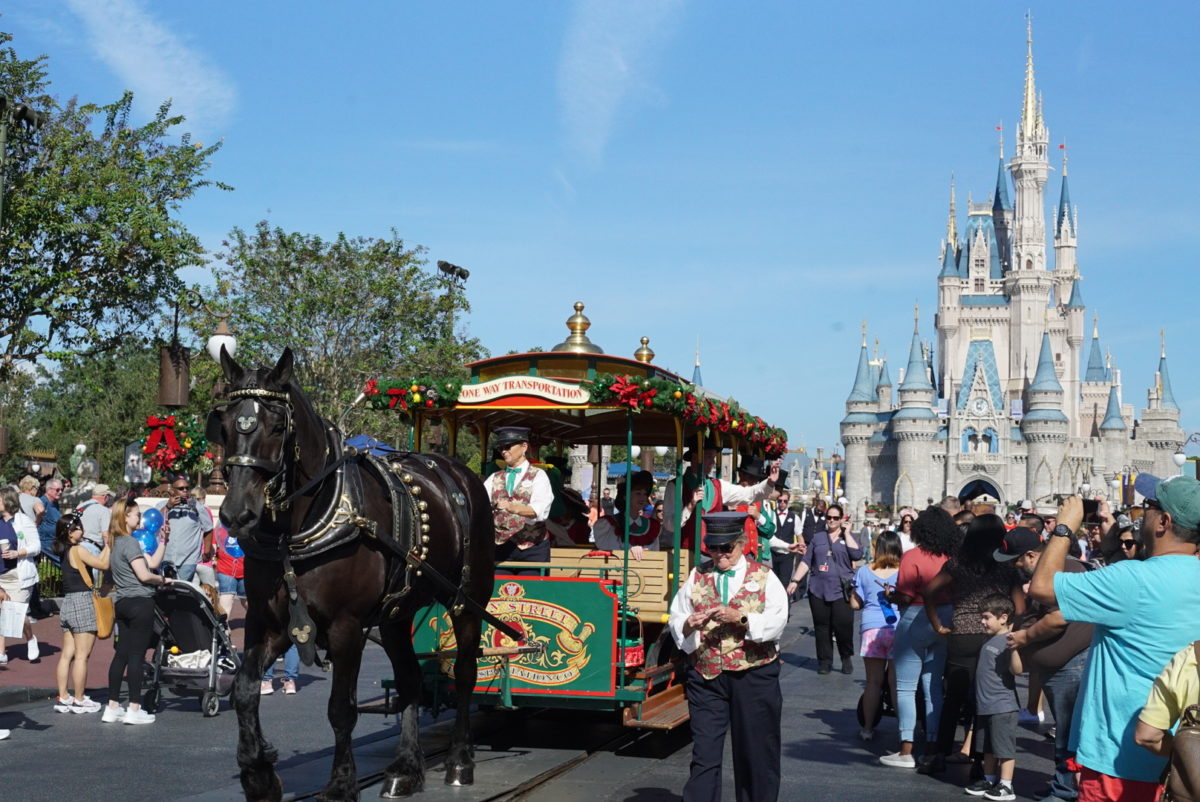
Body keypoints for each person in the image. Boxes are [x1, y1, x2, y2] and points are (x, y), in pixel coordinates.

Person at [1029, 476, 1200, 800]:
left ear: (1164, 521)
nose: (1140, 514)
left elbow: (1042, 587)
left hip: (1120, 762)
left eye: (1148, 507)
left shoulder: (1133, 580)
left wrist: (1064, 528)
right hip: (1182, 758)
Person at [667, 511, 788, 802]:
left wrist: (742, 618)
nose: (719, 554)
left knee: (756, 752)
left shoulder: (764, 576)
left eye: (726, 548)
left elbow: (778, 620)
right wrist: (688, 623)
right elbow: (676, 616)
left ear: (742, 544)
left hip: (754, 675)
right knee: (704, 753)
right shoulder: (698, 575)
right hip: (707, 676)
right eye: (714, 548)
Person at [920, 514, 1024, 775]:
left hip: (962, 636)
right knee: (984, 701)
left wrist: (937, 624)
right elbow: (1020, 607)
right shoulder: (1008, 567)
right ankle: (980, 760)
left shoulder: (958, 564)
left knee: (953, 698)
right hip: (994, 639)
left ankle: (940, 754)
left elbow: (929, 591)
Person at [997, 525, 1093, 802]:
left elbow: (1059, 618)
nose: (1015, 566)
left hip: (1072, 665)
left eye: (1016, 560)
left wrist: (1025, 637)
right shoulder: (1062, 567)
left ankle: (1066, 791)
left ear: (1030, 555)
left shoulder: (1058, 570)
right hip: (1063, 666)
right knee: (1066, 731)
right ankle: (1062, 784)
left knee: (1068, 732)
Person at [879, 505, 960, 768]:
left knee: (905, 686)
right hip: (945, 618)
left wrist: (890, 595)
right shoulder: (952, 557)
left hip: (915, 617)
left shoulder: (912, 555)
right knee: (933, 685)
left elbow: (905, 595)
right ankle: (933, 746)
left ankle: (906, 749)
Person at [105, 497, 173, 725]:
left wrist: (163, 540)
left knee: (121, 654)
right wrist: (163, 580)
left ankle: (112, 706)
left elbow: (150, 562)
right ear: (125, 517)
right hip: (139, 601)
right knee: (136, 655)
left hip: (122, 602)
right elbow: (145, 575)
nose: (139, 518)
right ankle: (134, 707)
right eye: (135, 514)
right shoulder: (131, 542)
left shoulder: (116, 543)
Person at [786, 502, 863, 675]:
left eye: (836, 518)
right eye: (829, 517)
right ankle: (824, 661)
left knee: (843, 626)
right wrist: (795, 581)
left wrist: (848, 532)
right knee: (822, 627)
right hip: (818, 589)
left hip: (841, 591)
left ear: (841, 519)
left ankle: (845, 656)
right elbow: (806, 561)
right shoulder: (818, 538)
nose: (832, 521)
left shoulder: (847, 537)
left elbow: (858, 554)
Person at [962, 594, 1022, 802]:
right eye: (982, 617)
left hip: (1002, 706)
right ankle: (989, 779)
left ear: (1003, 618)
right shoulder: (990, 639)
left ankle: (1006, 785)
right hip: (985, 705)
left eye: (987, 617)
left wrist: (1014, 650)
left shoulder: (1008, 640)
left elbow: (1017, 670)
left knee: (1003, 748)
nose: (982, 621)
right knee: (986, 746)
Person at [51, 513, 109, 714]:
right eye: (78, 528)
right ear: (70, 533)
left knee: (67, 654)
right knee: (83, 656)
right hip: (82, 601)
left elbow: (99, 560)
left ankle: (64, 696)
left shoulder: (65, 551)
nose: (82, 531)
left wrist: (107, 547)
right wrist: (110, 545)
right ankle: (79, 698)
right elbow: (103, 565)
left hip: (67, 602)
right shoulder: (78, 549)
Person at [852, 529, 901, 741]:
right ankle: (904, 731)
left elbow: (855, 604)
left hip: (872, 629)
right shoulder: (903, 572)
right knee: (896, 683)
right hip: (898, 628)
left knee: (873, 681)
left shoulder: (864, 571)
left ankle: (867, 728)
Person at [485, 426, 554, 574]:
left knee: (533, 595)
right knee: (499, 594)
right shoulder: (493, 478)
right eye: (501, 447)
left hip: (533, 548)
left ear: (524, 447)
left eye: (508, 446)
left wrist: (512, 507)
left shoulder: (539, 476)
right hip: (501, 548)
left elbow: (539, 511)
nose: (504, 451)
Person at [0, 484, 41, 663]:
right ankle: (1, 652)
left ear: (8, 501)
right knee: (2, 613)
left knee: (15, 613)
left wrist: (18, 552)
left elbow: (36, 547)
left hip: (18, 574)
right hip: (1, 575)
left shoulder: (22, 520)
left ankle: (31, 638)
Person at [591, 470, 660, 560]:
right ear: (625, 496)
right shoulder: (608, 524)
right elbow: (607, 550)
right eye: (638, 493)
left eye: (645, 494)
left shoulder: (651, 526)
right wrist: (630, 550)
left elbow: (656, 556)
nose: (643, 498)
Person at [159, 474, 213, 582]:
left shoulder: (197, 507)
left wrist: (207, 551)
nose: (185, 491)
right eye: (181, 489)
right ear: (172, 490)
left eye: (187, 488)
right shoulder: (162, 505)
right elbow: (156, 522)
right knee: (167, 591)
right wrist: (169, 506)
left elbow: (208, 528)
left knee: (181, 589)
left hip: (188, 559)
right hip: (166, 558)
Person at [76, 483, 114, 555]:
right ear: (105, 497)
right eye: (109, 497)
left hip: (78, 547)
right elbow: (106, 535)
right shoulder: (104, 510)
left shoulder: (80, 506)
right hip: (92, 549)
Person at [37, 478, 64, 563]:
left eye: (62, 489)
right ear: (49, 490)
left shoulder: (55, 502)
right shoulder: (41, 502)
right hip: (45, 544)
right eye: (58, 490)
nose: (60, 492)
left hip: (54, 541)